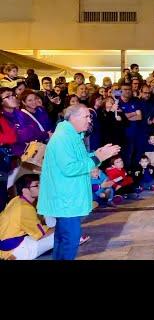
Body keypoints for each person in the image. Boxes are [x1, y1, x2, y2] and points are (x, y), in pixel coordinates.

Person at [36, 104, 120, 260]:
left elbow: (80, 159)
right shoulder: (63, 138)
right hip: (66, 198)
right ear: (73, 117)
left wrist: (97, 153)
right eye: (86, 117)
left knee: (62, 237)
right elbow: (69, 168)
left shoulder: (72, 135)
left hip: (68, 196)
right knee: (70, 239)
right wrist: (98, 158)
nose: (89, 121)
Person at [0, 174, 53, 260]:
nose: (41, 187)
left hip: (6, 248)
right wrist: (60, 226)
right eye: (37, 185)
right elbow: (41, 234)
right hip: (15, 250)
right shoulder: (25, 208)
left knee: (51, 221)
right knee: (61, 233)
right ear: (25, 190)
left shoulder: (16, 200)